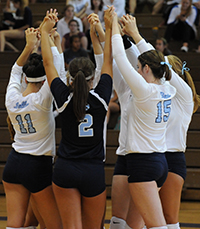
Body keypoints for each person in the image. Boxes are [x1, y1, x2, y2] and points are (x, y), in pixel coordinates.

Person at [40, 8, 113, 229]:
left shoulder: (63, 98)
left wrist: (44, 31)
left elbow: (47, 64)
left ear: (70, 77)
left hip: (66, 169)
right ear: (93, 79)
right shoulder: (101, 98)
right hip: (93, 170)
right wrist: (104, 30)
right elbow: (108, 60)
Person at [112, 12, 176, 229]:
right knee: (133, 226)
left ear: (146, 69)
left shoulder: (144, 90)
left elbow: (120, 59)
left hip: (143, 164)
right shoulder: (168, 88)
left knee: (157, 227)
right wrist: (134, 35)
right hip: (159, 163)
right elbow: (157, 60)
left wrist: (112, 26)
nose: (137, 71)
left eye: (139, 68)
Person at [3, 26, 62, 229]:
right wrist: (52, 41)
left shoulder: (11, 98)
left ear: (25, 78)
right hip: (37, 167)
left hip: (14, 163)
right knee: (56, 225)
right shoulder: (43, 99)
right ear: (45, 79)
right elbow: (58, 72)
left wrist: (29, 46)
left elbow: (14, 70)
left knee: (16, 225)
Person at [159, 55, 200, 229]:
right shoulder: (159, 94)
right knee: (150, 218)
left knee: (169, 218)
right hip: (152, 156)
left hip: (172, 159)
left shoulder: (184, 97)